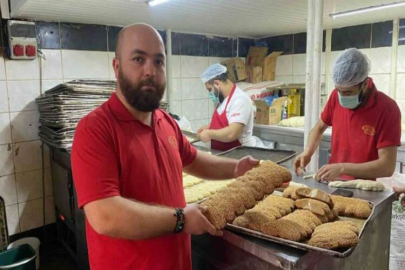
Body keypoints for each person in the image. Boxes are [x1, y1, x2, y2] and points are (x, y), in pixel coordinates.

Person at [71, 24, 259, 270]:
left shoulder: (166, 121)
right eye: (139, 59)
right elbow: (104, 215)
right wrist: (180, 219)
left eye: (158, 62)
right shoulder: (95, 129)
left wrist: (236, 169)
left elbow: (194, 160)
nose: (150, 70)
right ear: (117, 67)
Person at [294, 48, 401, 181]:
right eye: (339, 91)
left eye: (348, 93)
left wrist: (343, 168)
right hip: (333, 183)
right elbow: (319, 128)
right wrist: (308, 152)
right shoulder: (335, 97)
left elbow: (387, 166)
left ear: (365, 84)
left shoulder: (387, 109)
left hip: (363, 189)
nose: (342, 97)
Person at [197, 64, 264, 151]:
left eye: (209, 89)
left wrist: (209, 134)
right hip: (224, 155)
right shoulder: (222, 99)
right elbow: (226, 122)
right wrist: (209, 127)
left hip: (240, 155)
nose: (210, 93)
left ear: (217, 83)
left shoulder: (240, 99)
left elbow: (232, 133)